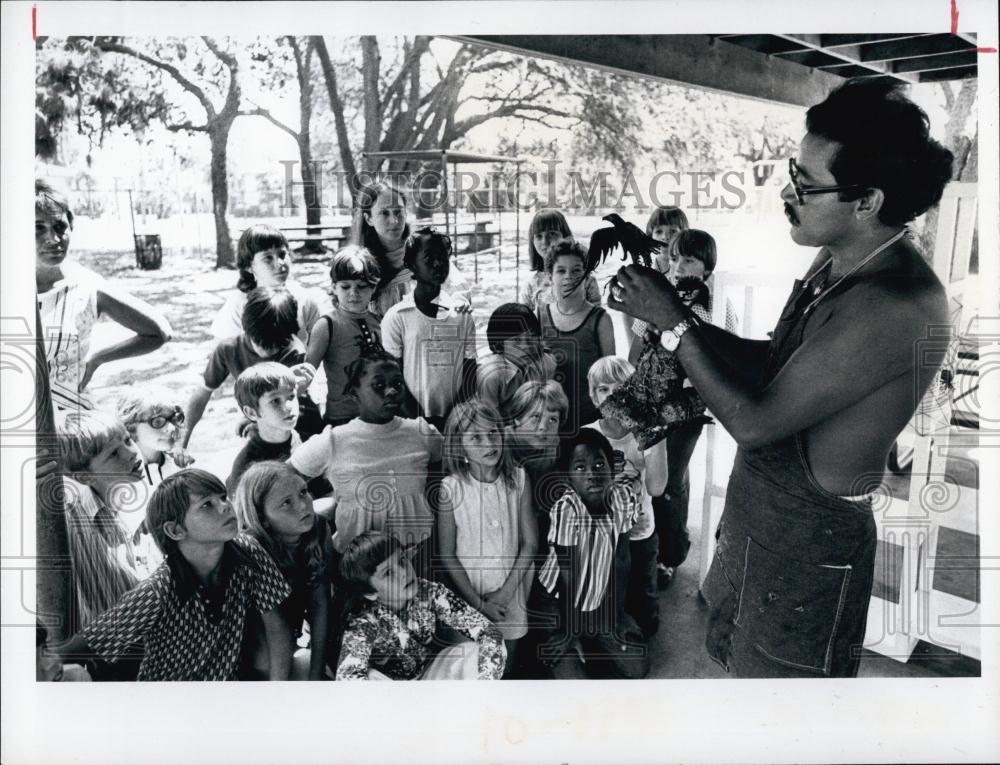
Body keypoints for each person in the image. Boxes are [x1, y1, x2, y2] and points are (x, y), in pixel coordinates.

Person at [608, 78, 953, 678]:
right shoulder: (841, 259)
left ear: (866, 201)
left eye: (806, 184)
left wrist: (672, 326)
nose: (788, 193)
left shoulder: (897, 303)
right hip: (759, 521)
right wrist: (674, 311)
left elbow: (757, 420)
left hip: (809, 546)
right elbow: (776, 362)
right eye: (794, 172)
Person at [50, 469, 293, 681]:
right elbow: (86, 644)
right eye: (206, 505)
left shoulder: (247, 551)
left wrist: (276, 693)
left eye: (222, 497)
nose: (225, 506)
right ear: (176, 530)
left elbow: (278, 626)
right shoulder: (157, 592)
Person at [289, 350, 443, 568]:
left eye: (397, 384)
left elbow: (446, 471)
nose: (391, 391)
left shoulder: (421, 432)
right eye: (378, 386)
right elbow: (282, 478)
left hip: (419, 559)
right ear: (354, 393)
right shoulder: (333, 441)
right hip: (360, 568)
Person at [627, 228, 718, 589]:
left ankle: (673, 553)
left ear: (707, 268)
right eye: (675, 257)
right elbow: (636, 349)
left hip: (686, 407)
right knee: (652, 476)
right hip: (650, 402)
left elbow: (719, 359)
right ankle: (653, 543)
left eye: (690, 260)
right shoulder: (656, 299)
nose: (679, 265)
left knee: (671, 482)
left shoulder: (712, 307)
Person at [36, 179, 172, 411]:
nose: (53, 239)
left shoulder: (86, 286)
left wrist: (98, 358)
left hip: (71, 422)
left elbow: (159, 332)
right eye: (38, 228)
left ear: (71, 226)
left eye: (60, 227)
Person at [534, 428, 647, 679]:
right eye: (580, 468)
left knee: (637, 668)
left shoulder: (623, 497)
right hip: (557, 600)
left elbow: (621, 559)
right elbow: (568, 575)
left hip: (597, 596)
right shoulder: (567, 508)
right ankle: (575, 638)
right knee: (575, 682)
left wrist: (614, 615)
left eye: (599, 464)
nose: (592, 474)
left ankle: (594, 632)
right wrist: (568, 632)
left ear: (612, 469)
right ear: (568, 478)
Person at [436, 399, 538, 675]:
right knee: (473, 665)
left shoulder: (518, 479)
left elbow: (530, 543)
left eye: (493, 433)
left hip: (510, 592)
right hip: (470, 596)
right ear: (460, 446)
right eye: (476, 437)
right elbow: (447, 554)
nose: (488, 442)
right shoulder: (451, 488)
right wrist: (478, 603)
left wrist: (505, 595)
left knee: (506, 663)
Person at [333, 531, 506, 681]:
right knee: (369, 679)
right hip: (392, 698)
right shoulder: (363, 623)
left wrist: (485, 684)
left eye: (402, 559)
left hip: (430, 678)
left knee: (474, 651)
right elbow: (346, 676)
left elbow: (488, 631)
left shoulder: (430, 592)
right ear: (370, 593)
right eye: (388, 573)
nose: (403, 572)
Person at [585, 356, 667, 638]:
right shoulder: (587, 437)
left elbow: (656, 488)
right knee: (607, 591)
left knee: (642, 597)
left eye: (621, 388)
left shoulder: (645, 435)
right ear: (593, 396)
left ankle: (642, 629)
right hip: (601, 536)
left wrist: (657, 441)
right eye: (603, 389)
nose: (612, 396)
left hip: (639, 532)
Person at [182, 287, 322, 450]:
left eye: (275, 345)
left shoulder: (295, 351)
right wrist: (181, 440)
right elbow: (202, 392)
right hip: (263, 419)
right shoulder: (229, 349)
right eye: (259, 342)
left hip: (300, 427)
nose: (266, 351)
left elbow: (286, 405)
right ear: (247, 329)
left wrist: (254, 421)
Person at [233, 461, 334, 680]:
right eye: (286, 503)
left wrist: (315, 675)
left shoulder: (318, 528)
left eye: (303, 492)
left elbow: (320, 602)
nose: (303, 505)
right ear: (263, 519)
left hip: (293, 633)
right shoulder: (252, 548)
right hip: (256, 641)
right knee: (265, 662)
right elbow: (275, 626)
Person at [56, 410, 148, 629]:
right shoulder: (70, 524)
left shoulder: (147, 501)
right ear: (83, 476)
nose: (131, 453)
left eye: (127, 440)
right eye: (114, 454)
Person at [380, 227, 478, 432]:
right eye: (428, 257)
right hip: (411, 421)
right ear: (411, 264)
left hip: (456, 421)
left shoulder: (461, 315)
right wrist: (421, 422)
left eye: (443, 257)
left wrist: (456, 416)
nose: (438, 263)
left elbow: (470, 370)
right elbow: (393, 376)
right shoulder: (398, 317)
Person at [355, 180, 471, 318]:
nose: (394, 220)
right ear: (369, 219)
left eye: (398, 211)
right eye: (384, 213)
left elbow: (457, 289)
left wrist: (458, 302)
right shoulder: (360, 265)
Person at [536, 239, 616, 433]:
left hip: (589, 420)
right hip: (550, 422)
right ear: (549, 277)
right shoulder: (539, 315)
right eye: (561, 271)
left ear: (588, 277)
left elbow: (609, 379)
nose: (569, 277)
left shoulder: (601, 320)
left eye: (577, 270)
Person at [211, 224, 329, 346]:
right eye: (268, 258)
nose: (279, 263)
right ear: (248, 266)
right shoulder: (238, 305)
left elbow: (320, 342)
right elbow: (222, 352)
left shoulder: (304, 299)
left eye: (282, 255)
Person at [305, 245, 383, 428]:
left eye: (362, 286)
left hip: (381, 417)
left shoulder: (381, 321)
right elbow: (307, 373)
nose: (353, 293)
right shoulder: (327, 325)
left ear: (373, 288)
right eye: (345, 286)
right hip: (343, 419)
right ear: (333, 287)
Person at [225, 363, 302, 494]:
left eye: (291, 396)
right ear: (251, 413)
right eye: (275, 401)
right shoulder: (247, 467)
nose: (289, 406)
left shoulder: (299, 437)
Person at [477, 302, 557, 412]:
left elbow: (546, 406)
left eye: (532, 337)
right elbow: (487, 420)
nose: (526, 346)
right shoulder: (491, 376)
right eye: (516, 340)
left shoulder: (547, 363)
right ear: (500, 344)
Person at [518, 209, 600, 310]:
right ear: (532, 242)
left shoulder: (586, 281)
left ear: (566, 237)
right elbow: (524, 322)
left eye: (552, 234)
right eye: (539, 236)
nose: (545, 241)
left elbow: (598, 318)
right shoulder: (530, 286)